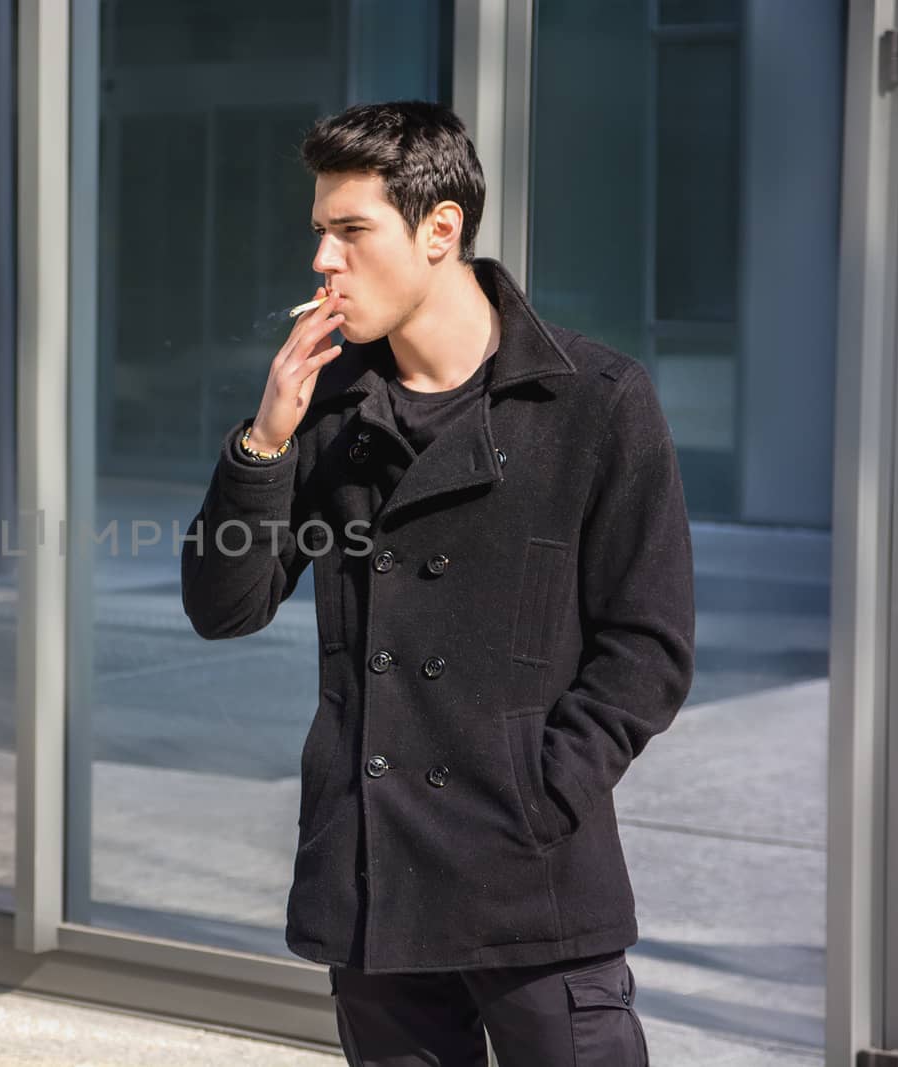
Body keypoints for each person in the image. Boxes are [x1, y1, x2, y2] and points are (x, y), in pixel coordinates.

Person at [178, 100, 695, 1065]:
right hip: (377, 885)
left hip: (533, 888)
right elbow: (225, 605)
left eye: (350, 232)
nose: (323, 262)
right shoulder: (329, 409)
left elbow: (648, 649)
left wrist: (538, 793)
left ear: (440, 230)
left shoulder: (596, 401)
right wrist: (266, 442)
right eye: (319, 234)